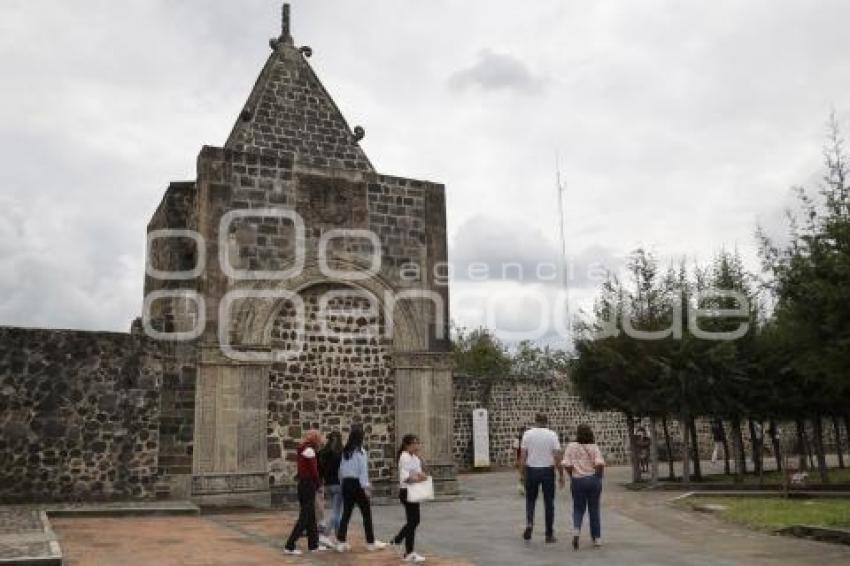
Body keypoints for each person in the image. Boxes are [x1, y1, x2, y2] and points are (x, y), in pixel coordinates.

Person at [335, 425, 388, 552]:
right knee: (366, 514)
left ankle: (341, 542)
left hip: (346, 483)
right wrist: (366, 487)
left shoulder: (345, 452)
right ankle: (370, 542)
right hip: (357, 484)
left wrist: (342, 483)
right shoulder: (361, 452)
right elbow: (363, 471)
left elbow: (341, 470)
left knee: (346, 513)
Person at [520, 413, 563, 543]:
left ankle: (529, 523)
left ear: (536, 421)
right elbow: (557, 457)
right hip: (547, 470)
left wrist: (521, 473)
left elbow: (523, 456)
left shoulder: (527, 434)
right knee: (549, 502)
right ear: (546, 421)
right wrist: (561, 475)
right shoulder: (552, 435)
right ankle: (549, 534)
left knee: (530, 500)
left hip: (531, 469)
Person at [563, 423, 606, 551]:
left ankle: (576, 531)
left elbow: (566, 464)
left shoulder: (571, 446)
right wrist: (599, 477)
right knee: (594, 509)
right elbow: (600, 464)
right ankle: (597, 538)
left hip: (578, 480)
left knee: (578, 508)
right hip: (593, 480)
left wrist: (572, 475)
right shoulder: (594, 447)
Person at [284, 429, 325, 555]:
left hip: (303, 484)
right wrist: (318, 484)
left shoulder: (302, 449)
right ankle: (290, 545)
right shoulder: (310, 451)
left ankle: (313, 545)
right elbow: (314, 471)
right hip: (308, 485)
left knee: (311, 516)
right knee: (304, 517)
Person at [392, 434, 428, 563]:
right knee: (413, 521)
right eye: (414, 443)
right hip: (406, 491)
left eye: (418, 442)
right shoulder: (404, 457)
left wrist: (420, 458)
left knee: (414, 521)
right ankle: (408, 551)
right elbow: (405, 478)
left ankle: (398, 541)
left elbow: (421, 470)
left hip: (413, 491)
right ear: (407, 444)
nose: (417, 445)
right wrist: (419, 478)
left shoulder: (414, 457)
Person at [317, 430, 343, 548]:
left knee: (335, 511)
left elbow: (320, 470)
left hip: (327, 484)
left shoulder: (323, 452)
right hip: (338, 484)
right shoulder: (340, 453)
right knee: (336, 513)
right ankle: (325, 535)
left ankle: (339, 538)